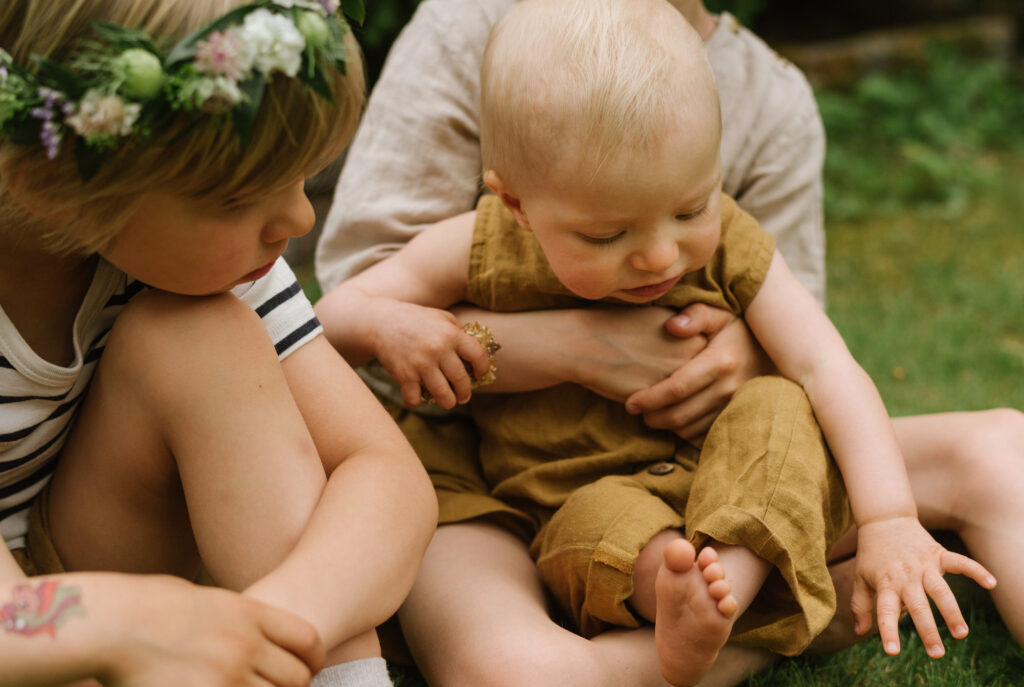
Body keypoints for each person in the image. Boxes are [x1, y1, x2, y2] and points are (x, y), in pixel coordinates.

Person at [315, 0, 1024, 686]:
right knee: (567, 594)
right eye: (605, 235)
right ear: (517, 204)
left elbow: (822, 365)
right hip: (525, 490)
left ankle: (734, 591)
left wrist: (890, 517)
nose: (659, 257)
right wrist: (394, 325)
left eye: (691, 209)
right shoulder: (480, 221)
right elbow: (344, 309)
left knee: (786, 412)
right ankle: (781, 610)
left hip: (715, 463)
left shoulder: (758, 138)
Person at [0, 2, 437, 686]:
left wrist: (267, 627)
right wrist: (141, 627)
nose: (299, 215)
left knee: (200, 336)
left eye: (299, 175)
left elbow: (387, 478)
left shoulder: (209, 269)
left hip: (101, 575)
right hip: (33, 631)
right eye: (240, 198)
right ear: (53, 186)